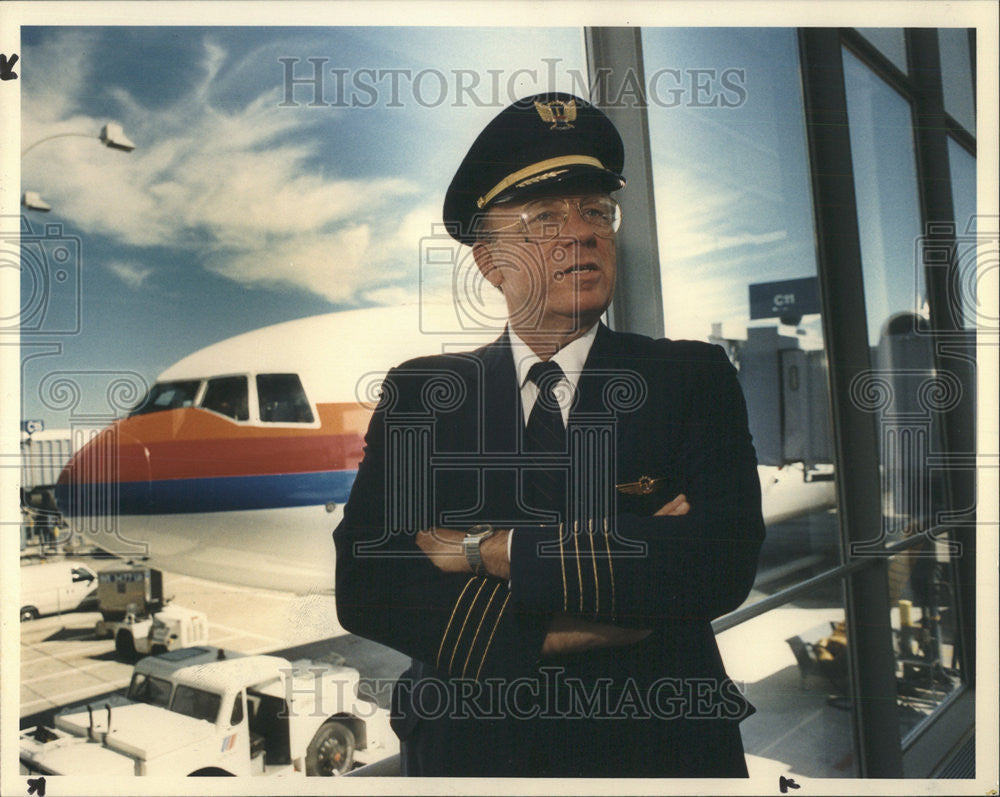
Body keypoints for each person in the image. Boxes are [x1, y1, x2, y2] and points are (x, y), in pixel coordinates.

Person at [333, 92, 765, 777]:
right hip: (475, 756)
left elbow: (718, 557)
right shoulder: (424, 395)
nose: (582, 232)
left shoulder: (691, 376)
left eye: (597, 211)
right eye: (544, 218)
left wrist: (486, 549)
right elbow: (368, 582)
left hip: (659, 751)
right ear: (489, 262)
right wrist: (585, 622)